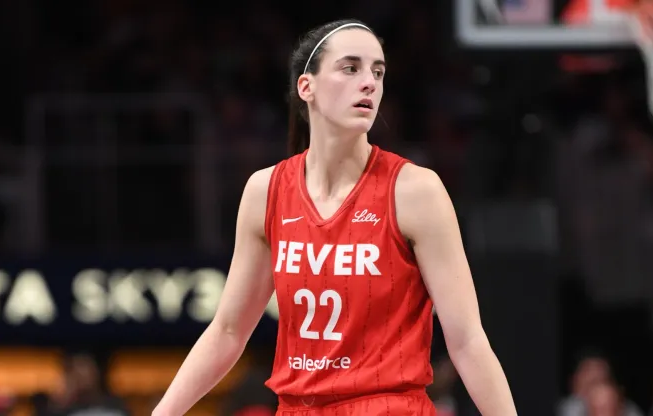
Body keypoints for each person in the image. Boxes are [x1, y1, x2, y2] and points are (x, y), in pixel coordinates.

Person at [153, 19, 517, 416]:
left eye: (378, 72)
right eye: (350, 68)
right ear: (306, 87)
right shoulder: (265, 191)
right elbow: (227, 331)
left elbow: (466, 341)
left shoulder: (416, 191)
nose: (369, 83)